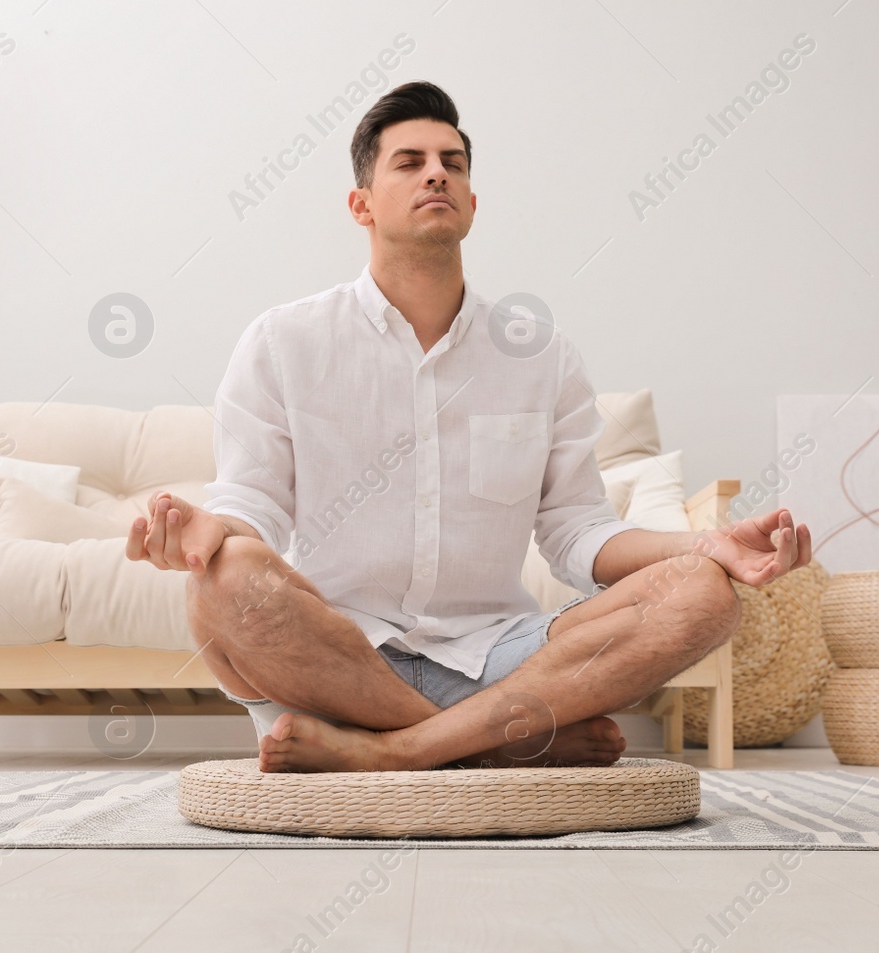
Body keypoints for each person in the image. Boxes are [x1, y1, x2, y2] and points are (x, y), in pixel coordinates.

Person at [125, 81, 811, 773]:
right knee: (223, 579)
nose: (436, 173)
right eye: (409, 161)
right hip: (340, 658)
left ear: (472, 205)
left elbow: (578, 534)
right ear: (360, 204)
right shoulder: (282, 342)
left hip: (505, 655)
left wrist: (708, 544)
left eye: (452, 163)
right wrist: (210, 530)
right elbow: (255, 510)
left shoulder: (542, 354)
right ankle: (506, 741)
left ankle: (398, 753)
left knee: (701, 593)